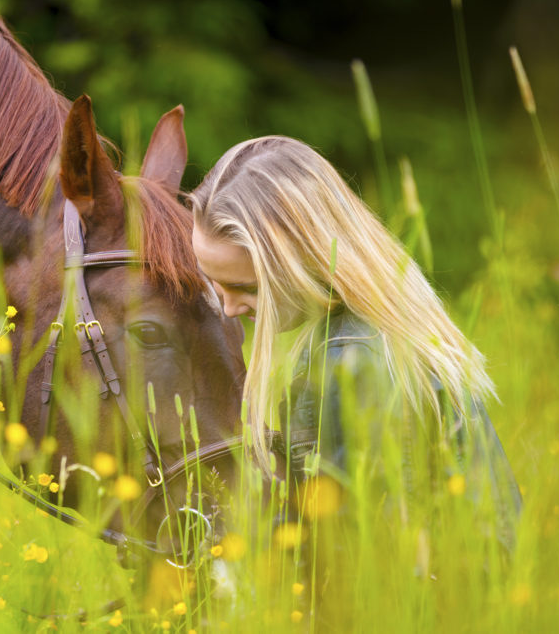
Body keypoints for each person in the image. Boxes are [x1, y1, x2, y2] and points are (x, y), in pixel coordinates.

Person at [189, 135, 521, 551]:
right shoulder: (366, 336)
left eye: (246, 288)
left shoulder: (350, 362)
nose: (230, 308)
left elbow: (350, 563)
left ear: (302, 258)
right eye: (213, 284)